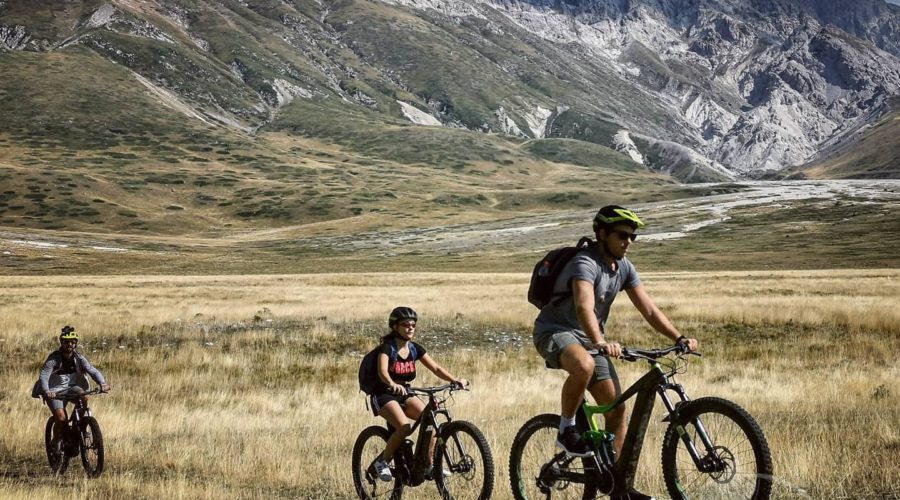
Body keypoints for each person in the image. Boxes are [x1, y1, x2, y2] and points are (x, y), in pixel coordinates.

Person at [532, 205, 698, 500]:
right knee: (583, 365)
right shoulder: (585, 263)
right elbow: (584, 306)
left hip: (590, 339)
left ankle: (618, 485)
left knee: (617, 410)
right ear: (603, 233)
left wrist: (679, 336)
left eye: (633, 236)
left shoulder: (624, 267)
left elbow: (648, 308)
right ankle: (566, 428)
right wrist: (599, 342)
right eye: (622, 235)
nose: (628, 241)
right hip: (555, 332)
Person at [368, 307, 469, 482]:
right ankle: (382, 462)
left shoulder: (415, 349)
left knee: (429, 420)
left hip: (405, 392)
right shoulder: (388, 348)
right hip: (383, 393)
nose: (410, 328)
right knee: (404, 427)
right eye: (405, 325)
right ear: (395, 327)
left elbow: (436, 368)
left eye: (413, 325)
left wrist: (454, 380)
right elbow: (382, 371)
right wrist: (392, 384)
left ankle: (429, 466)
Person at [31, 325, 111, 450]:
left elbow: (93, 371)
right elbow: (44, 376)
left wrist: (103, 383)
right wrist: (47, 391)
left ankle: (77, 427)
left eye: (73, 342)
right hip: (54, 391)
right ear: (61, 343)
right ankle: (56, 440)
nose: (70, 345)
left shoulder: (78, 358)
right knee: (62, 418)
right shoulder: (53, 359)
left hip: (71, 388)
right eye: (67, 342)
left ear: (76, 343)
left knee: (84, 397)